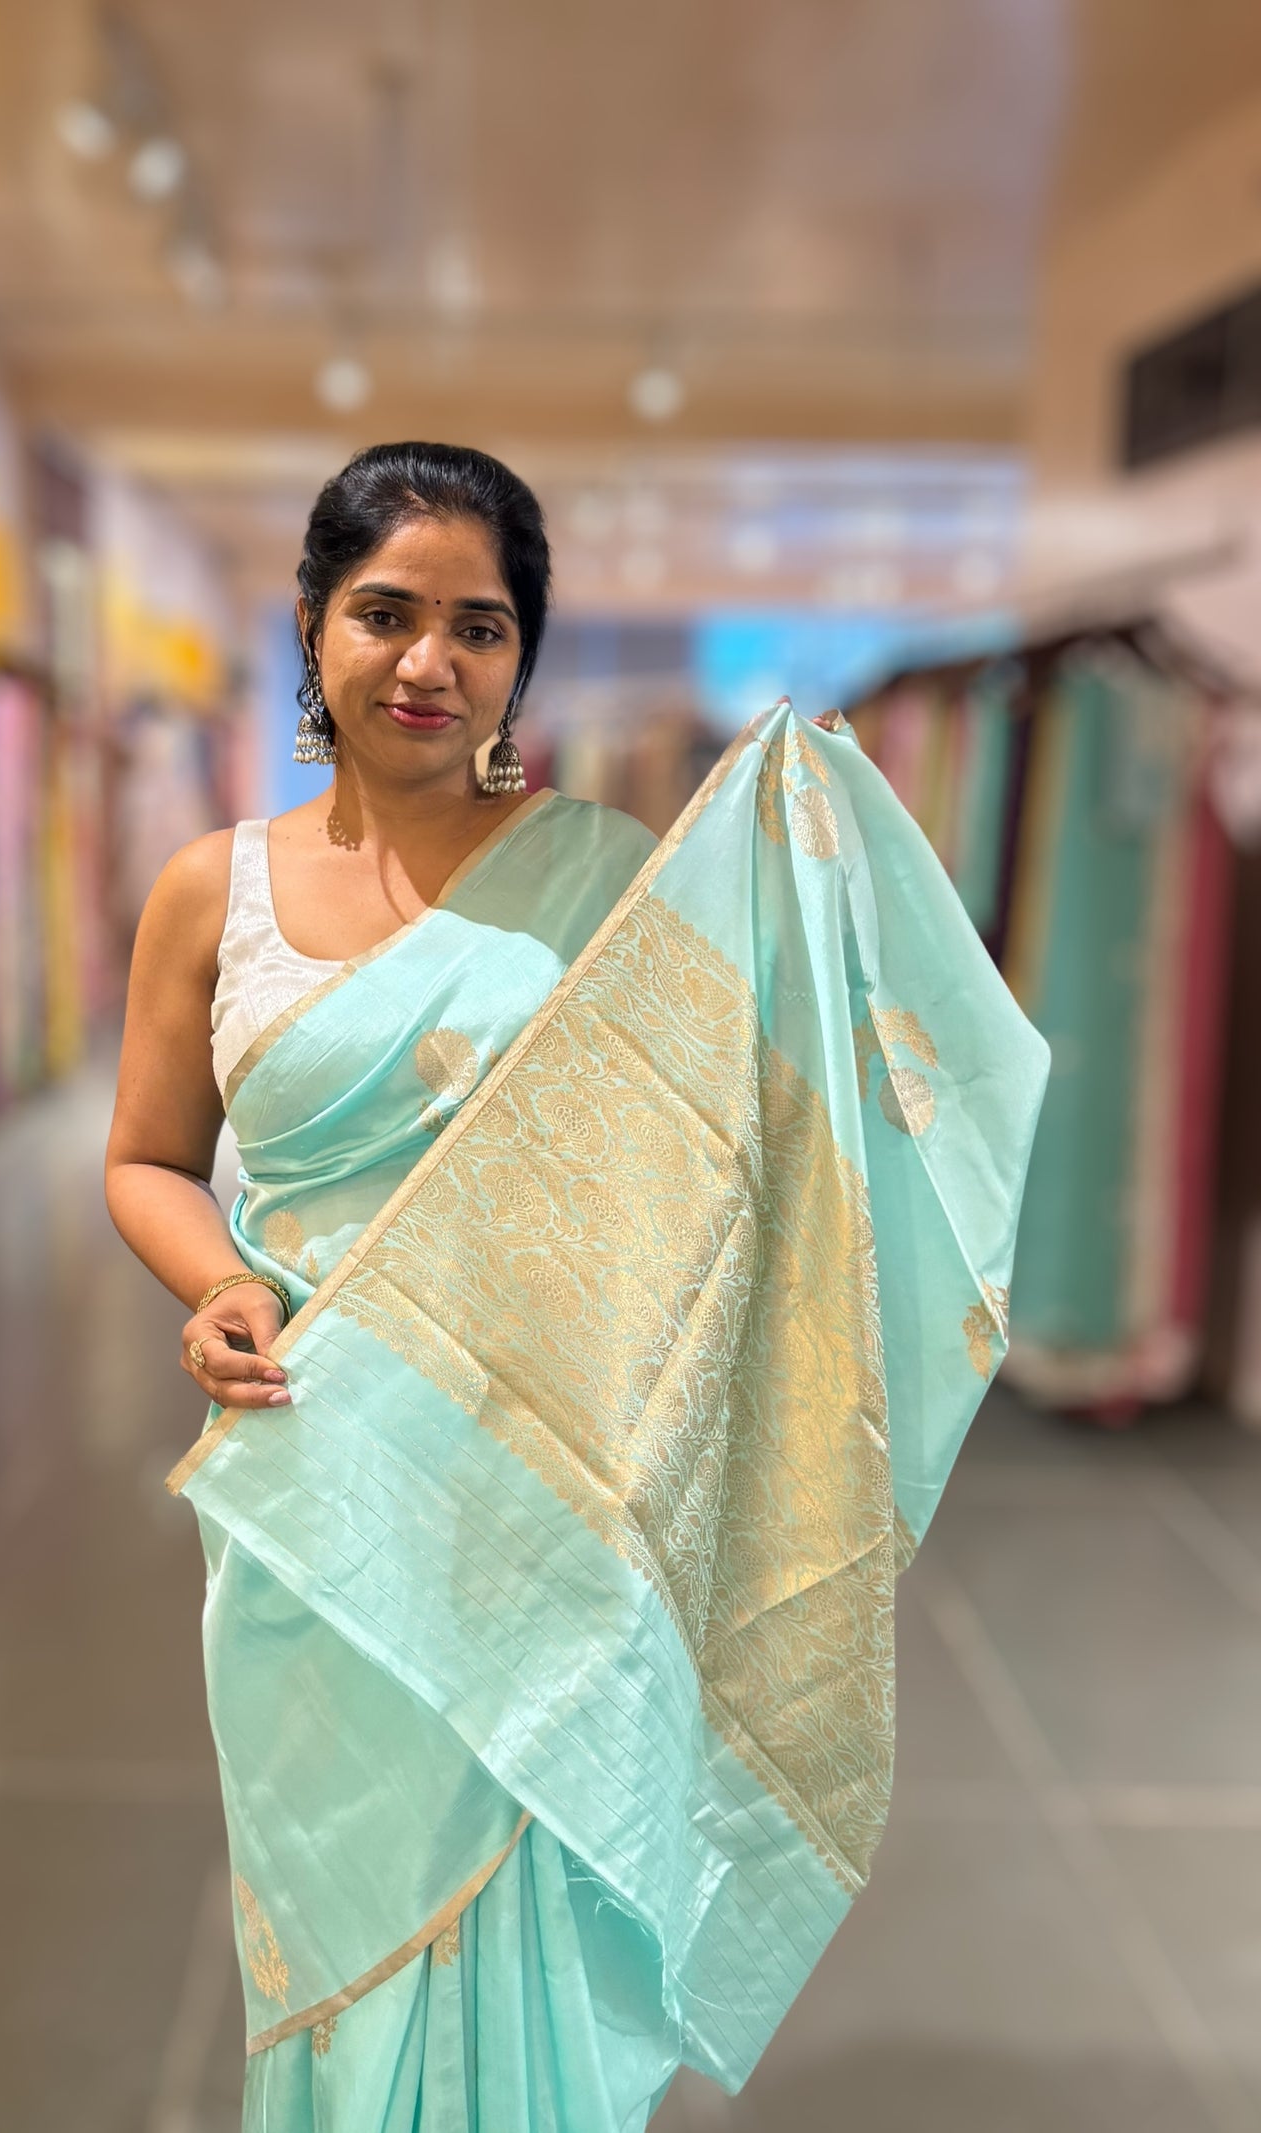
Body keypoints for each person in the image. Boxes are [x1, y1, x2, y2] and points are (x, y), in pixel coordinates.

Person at [105, 442, 1049, 2130]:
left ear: (520, 661)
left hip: (552, 1475)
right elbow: (149, 1159)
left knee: (530, 1911)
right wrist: (222, 1283)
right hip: (319, 1470)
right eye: (386, 612)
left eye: (479, 625)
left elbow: (740, 1146)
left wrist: (807, 853)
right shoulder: (211, 891)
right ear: (314, 623)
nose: (430, 660)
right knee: (335, 1911)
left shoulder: (612, 873)